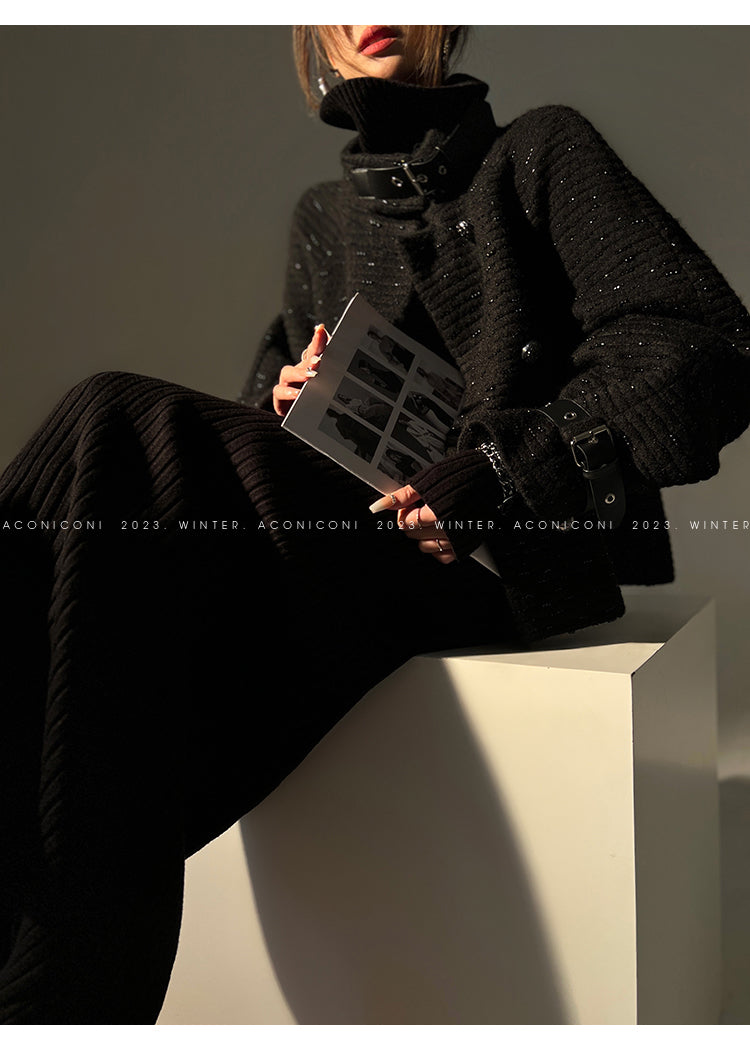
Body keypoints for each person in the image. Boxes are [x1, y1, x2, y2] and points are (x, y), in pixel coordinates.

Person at [0, 25, 748, 1024]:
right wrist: (284, 399)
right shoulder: (325, 217)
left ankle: (62, 982)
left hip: (490, 562)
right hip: (352, 549)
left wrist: (506, 468)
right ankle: (56, 967)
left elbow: (700, 343)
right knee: (109, 511)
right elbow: (253, 435)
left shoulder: (542, 150)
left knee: (115, 419)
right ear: (313, 33)